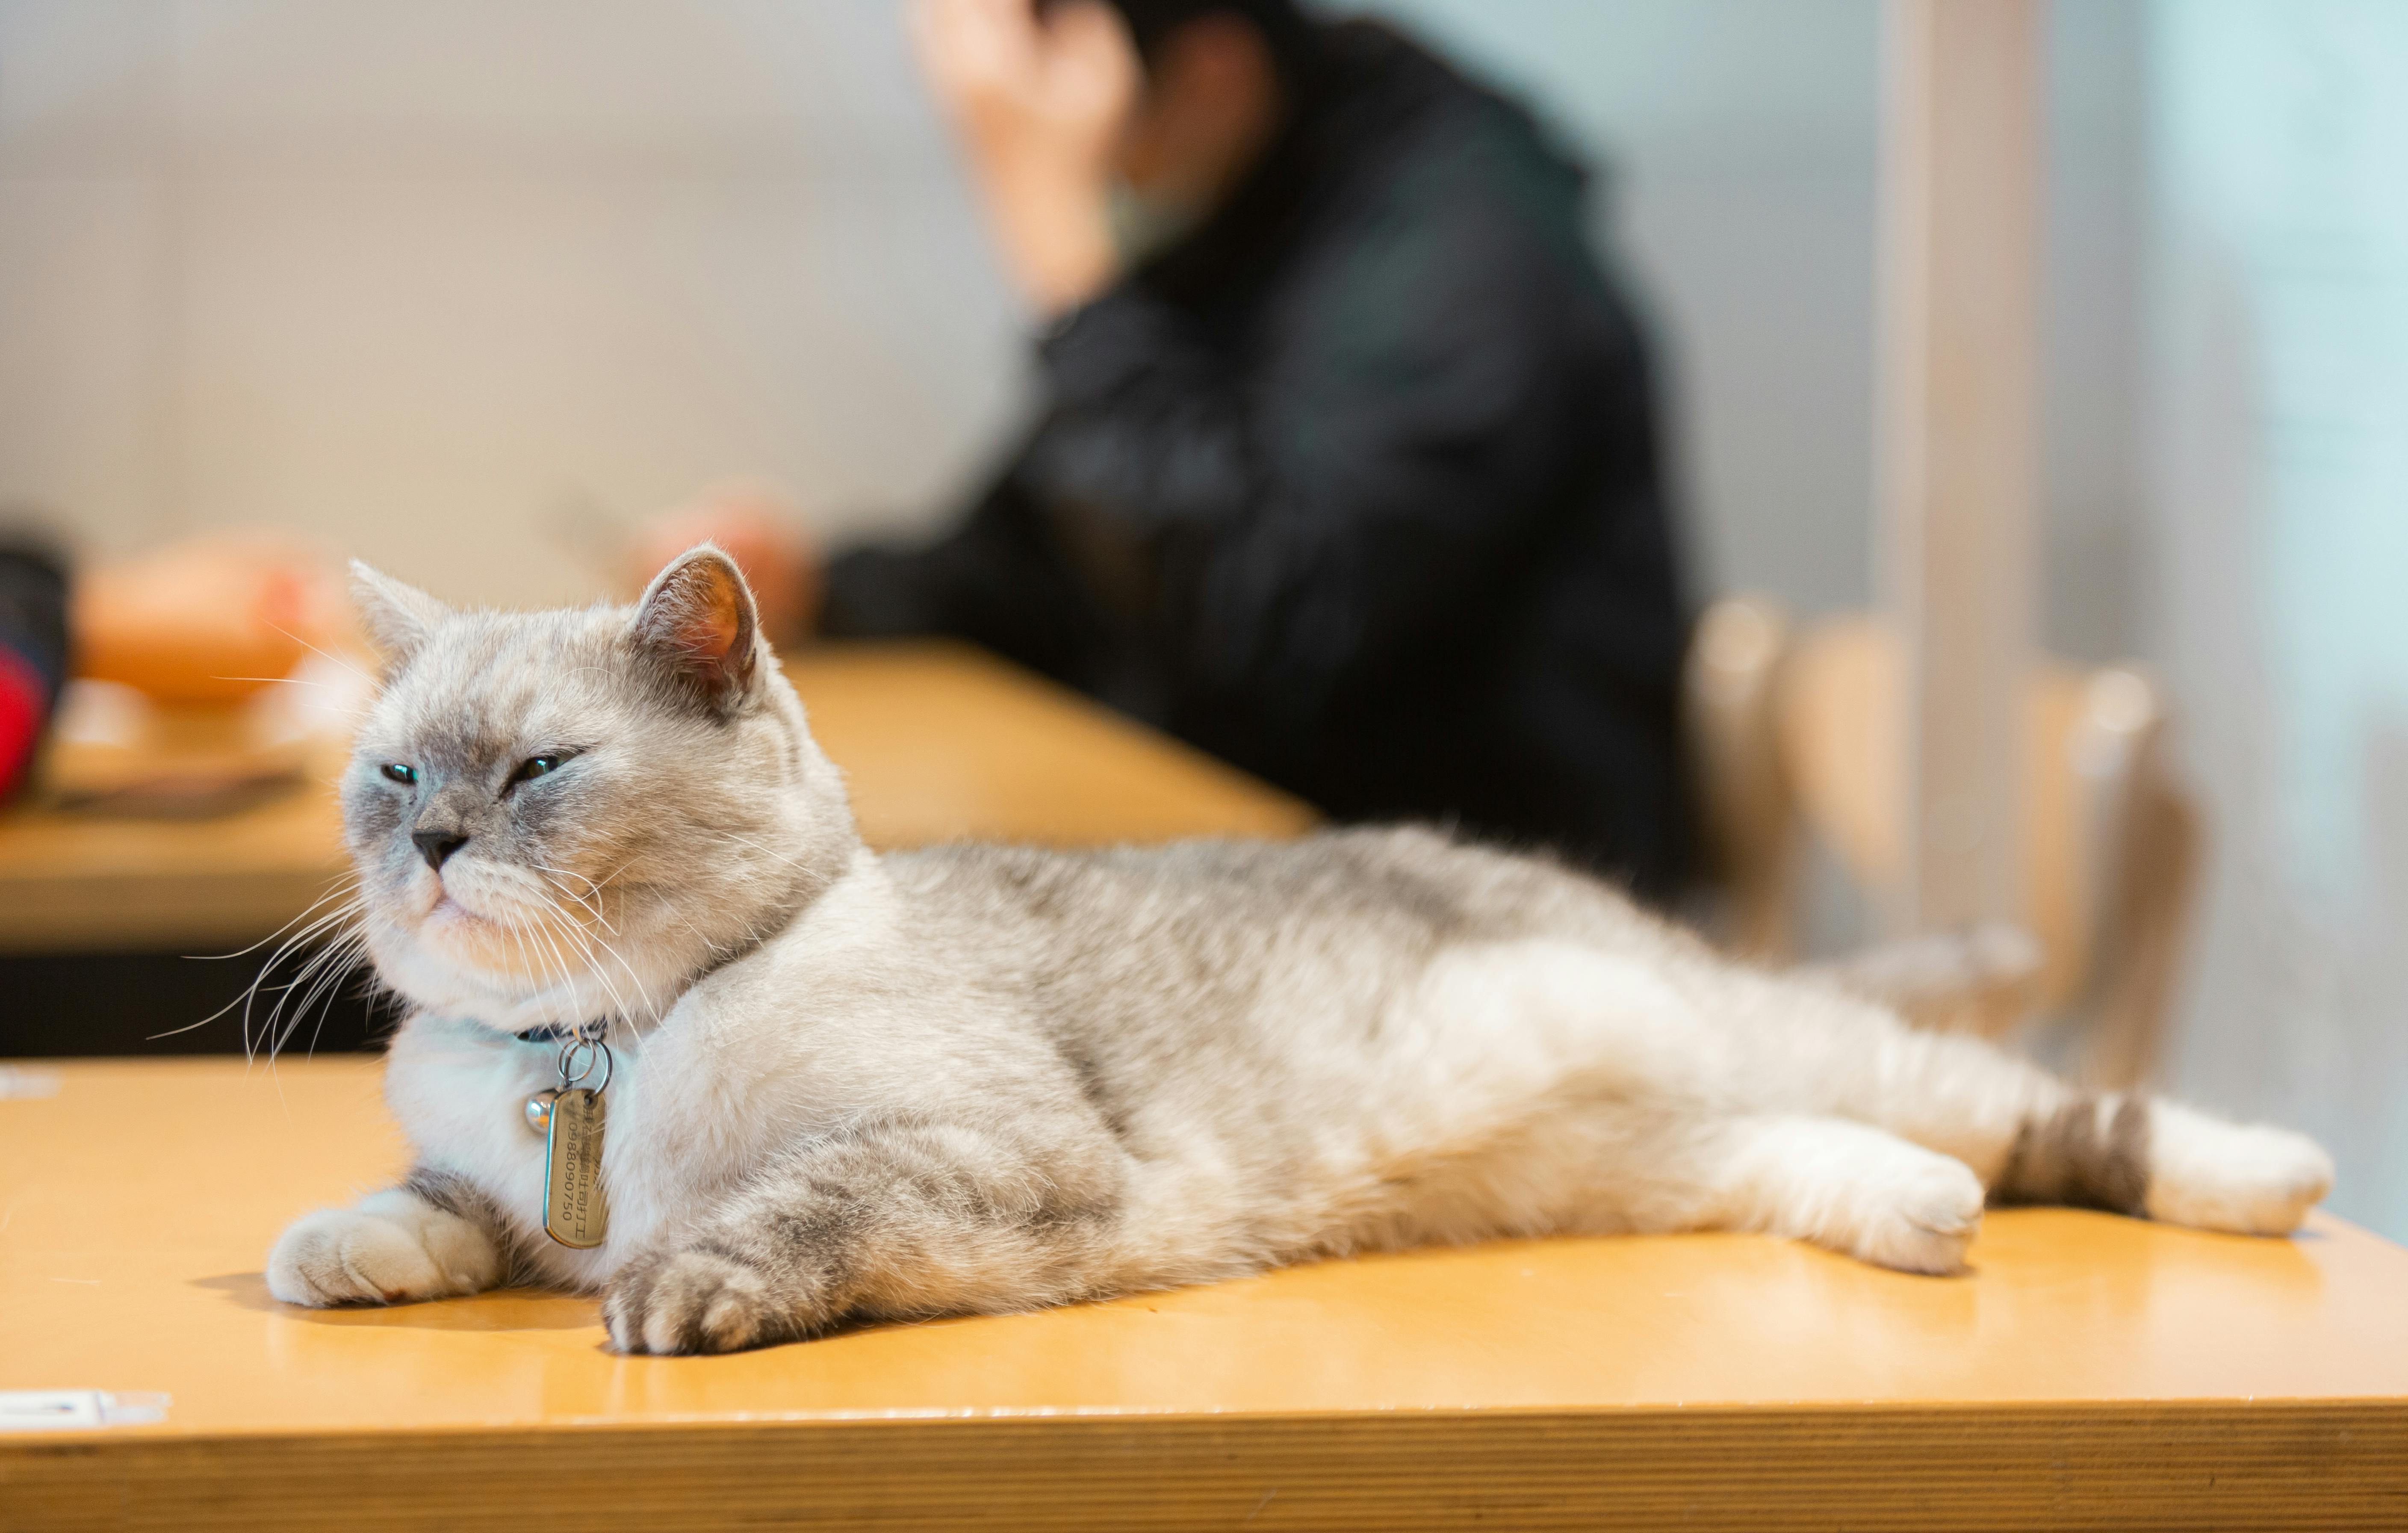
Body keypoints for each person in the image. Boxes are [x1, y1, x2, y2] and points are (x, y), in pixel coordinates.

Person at [645, 0, 1694, 901]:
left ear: (1208, 69)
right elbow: (1054, 567)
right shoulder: (1250, 195)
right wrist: (819, 587)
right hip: (1274, 878)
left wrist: (1048, 225)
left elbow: (1260, 611)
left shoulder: (1464, 237)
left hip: (1494, 917)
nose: (1076, 156)